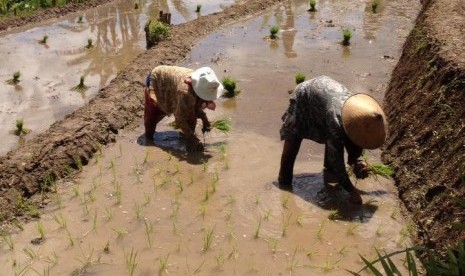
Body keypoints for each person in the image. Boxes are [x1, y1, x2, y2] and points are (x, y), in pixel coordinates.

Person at [278, 76, 388, 204]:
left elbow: (358, 138)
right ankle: (284, 181)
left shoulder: (358, 113)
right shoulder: (336, 119)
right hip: (306, 95)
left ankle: (328, 172)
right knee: (294, 137)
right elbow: (336, 160)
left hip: (326, 97)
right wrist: (352, 191)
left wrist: (358, 160)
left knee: (334, 139)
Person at [144, 65, 224, 152]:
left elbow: (195, 107)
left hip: (175, 84)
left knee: (190, 115)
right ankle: (148, 140)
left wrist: (204, 119)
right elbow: (179, 119)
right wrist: (191, 137)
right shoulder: (186, 92)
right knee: (153, 115)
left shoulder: (202, 82)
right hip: (158, 80)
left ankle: (190, 143)